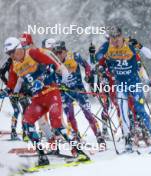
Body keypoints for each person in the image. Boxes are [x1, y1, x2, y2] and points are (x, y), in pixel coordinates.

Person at [4, 37, 90, 166]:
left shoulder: (32, 53)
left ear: (19, 48)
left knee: (57, 125)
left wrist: (41, 79)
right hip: (37, 99)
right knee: (27, 123)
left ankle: (79, 152)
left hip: (51, 93)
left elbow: (51, 64)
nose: (11, 55)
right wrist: (8, 93)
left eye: (12, 52)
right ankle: (42, 157)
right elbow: (12, 85)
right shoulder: (14, 65)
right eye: (8, 53)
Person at [95, 26, 151, 152]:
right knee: (123, 112)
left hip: (134, 82)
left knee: (140, 109)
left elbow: (150, 55)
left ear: (121, 36)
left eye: (117, 38)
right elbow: (97, 59)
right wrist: (100, 67)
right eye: (112, 38)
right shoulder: (107, 46)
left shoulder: (130, 43)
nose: (114, 41)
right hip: (120, 84)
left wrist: (139, 46)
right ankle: (128, 142)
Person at [52, 41, 105, 145]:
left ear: (65, 51)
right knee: (70, 116)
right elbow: (49, 76)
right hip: (65, 93)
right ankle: (76, 136)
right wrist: (57, 85)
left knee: (88, 114)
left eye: (60, 52)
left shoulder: (75, 56)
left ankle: (99, 136)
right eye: (55, 53)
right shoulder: (53, 62)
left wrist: (89, 76)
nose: (58, 55)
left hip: (79, 90)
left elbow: (87, 66)